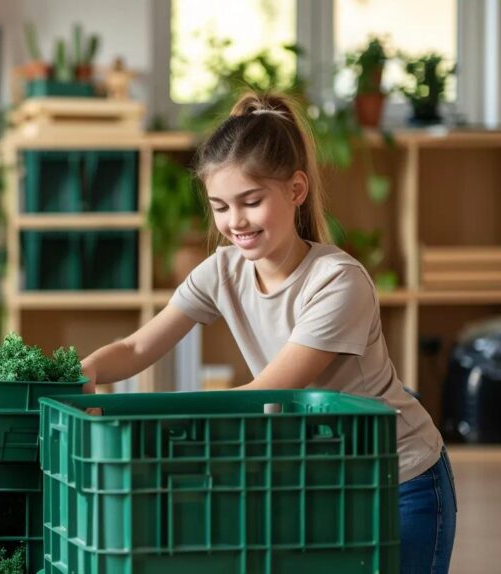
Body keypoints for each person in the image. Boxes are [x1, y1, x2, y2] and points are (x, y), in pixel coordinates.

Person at [80, 91, 456, 574]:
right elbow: (136, 346)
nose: (234, 222)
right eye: (219, 206)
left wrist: (160, 436)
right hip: (316, 479)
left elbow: (267, 392)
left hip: (398, 481)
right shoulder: (222, 271)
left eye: (250, 202)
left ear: (296, 190)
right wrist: (86, 369)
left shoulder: (337, 282)